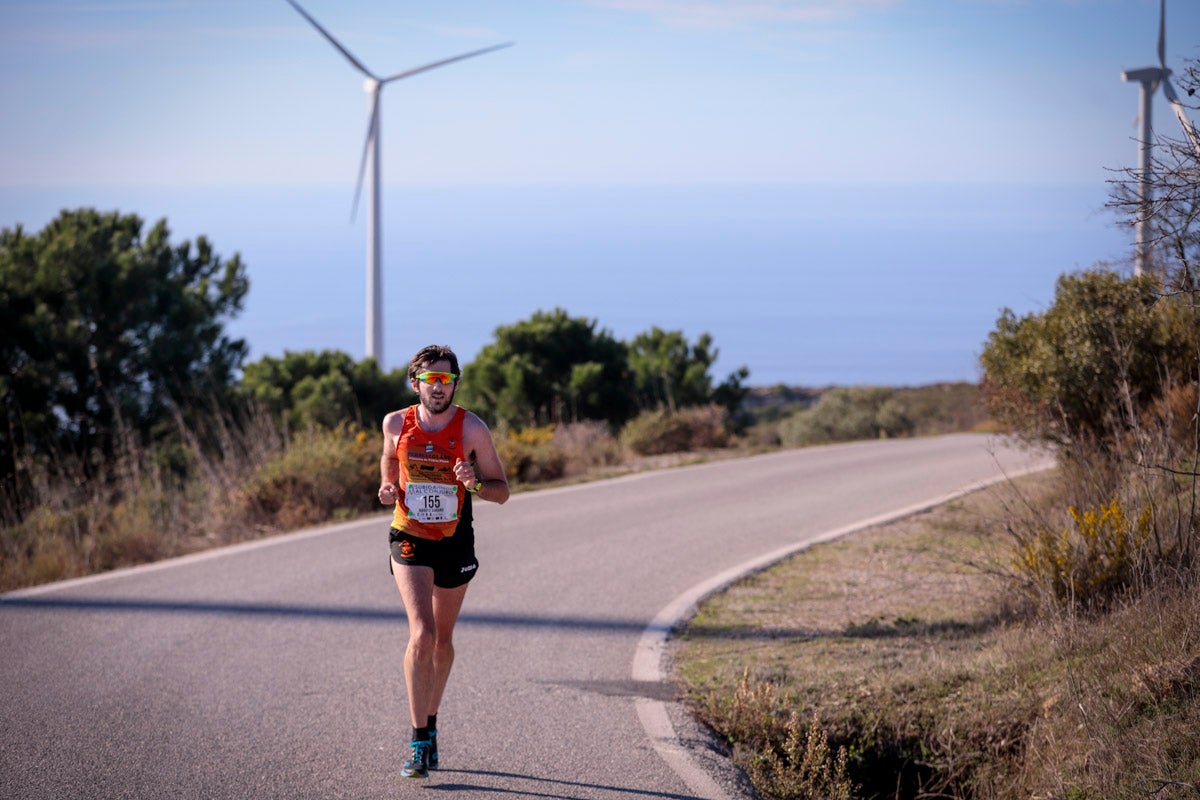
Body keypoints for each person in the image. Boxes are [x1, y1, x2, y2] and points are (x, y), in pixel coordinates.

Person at [377, 344, 510, 779]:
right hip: (410, 535)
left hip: (454, 539)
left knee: (442, 643)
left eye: (447, 380)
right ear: (416, 383)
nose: (440, 388)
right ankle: (417, 740)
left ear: (455, 382)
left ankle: (431, 724)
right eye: (431, 380)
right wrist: (387, 486)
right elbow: (388, 459)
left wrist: (473, 485)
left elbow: (502, 490)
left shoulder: (471, 429)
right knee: (422, 632)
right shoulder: (396, 423)